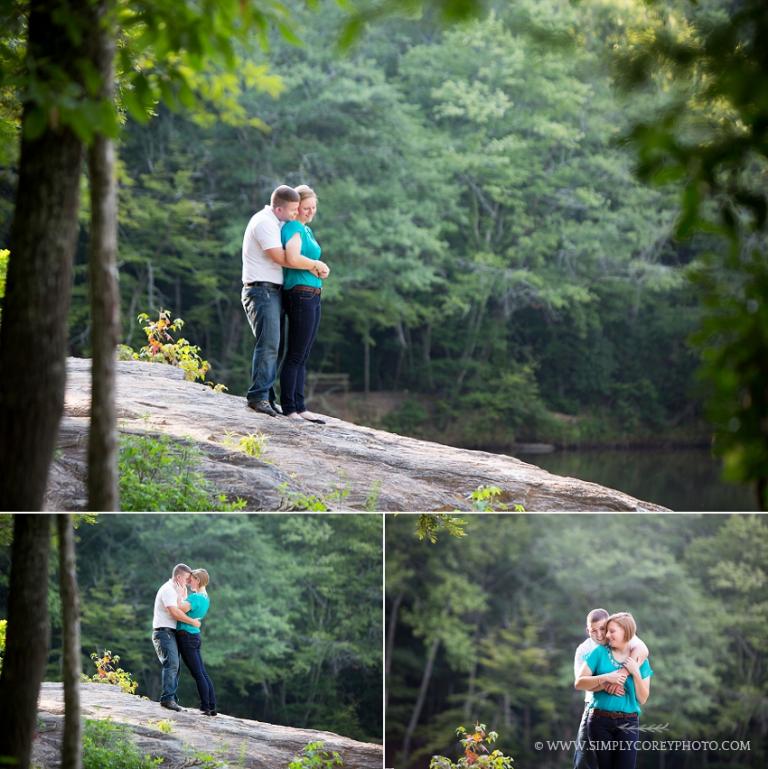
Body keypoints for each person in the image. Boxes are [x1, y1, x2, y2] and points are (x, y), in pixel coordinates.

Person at [241, 185, 330, 417]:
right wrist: (314, 265)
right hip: (260, 289)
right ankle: (258, 396)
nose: (296, 213)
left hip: (275, 290)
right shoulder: (265, 223)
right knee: (269, 344)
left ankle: (268, 398)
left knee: (276, 346)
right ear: (279, 208)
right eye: (295, 209)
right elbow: (284, 258)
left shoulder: (280, 223)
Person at [575, 612, 654, 769]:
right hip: (599, 720)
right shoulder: (597, 652)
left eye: (611, 631)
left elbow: (643, 698)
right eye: (606, 631)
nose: (605, 636)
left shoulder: (640, 658)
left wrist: (635, 672)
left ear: (626, 632)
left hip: (628, 722)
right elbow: (579, 683)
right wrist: (606, 679)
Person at [279, 184, 327, 423]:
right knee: (295, 354)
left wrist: (318, 269)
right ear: (296, 209)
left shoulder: (306, 230)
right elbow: (293, 258)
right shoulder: (294, 227)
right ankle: (289, 407)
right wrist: (315, 265)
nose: (310, 212)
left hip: (312, 293)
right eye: (306, 208)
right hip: (300, 293)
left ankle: (300, 405)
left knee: (304, 354)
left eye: (313, 208)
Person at [151, 563, 199, 711]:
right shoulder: (168, 590)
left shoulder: (178, 590)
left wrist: (183, 595)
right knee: (172, 664)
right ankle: (167, 699)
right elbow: (174, 612)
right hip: (163, 632)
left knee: (175, 666)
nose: (189, 582)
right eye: (187, 578)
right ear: (179, 577)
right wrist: (193, 622)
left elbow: (180, 607)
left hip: (170, 632)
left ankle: (171, 698)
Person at [176, 568, 217, 716]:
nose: (189, 582)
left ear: (198, 580)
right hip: (194, 636)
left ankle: (205, 707)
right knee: (202, 673)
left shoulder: (195, 598)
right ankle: (212, 706)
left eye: (191, 579)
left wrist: (180, 595)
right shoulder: (206, 598)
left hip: (186, 636)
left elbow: (178, 609)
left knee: (198, 674)